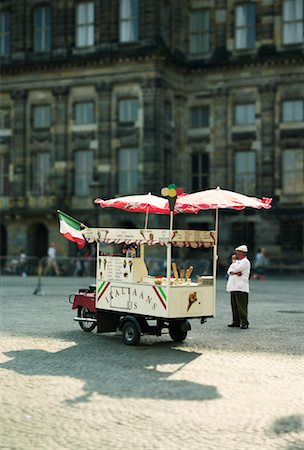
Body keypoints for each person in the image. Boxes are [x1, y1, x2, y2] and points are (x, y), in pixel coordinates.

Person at [226, 244, 251, 329]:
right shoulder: (237, 262)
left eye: (238, 252)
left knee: (241, 306)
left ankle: (244, 322)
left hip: (241, 287)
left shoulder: (245, 262)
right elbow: (229, 271)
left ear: (242, 253)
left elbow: (236, 269)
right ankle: (236, 321)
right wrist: (234, 272)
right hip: (233, 286)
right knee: (234, 305)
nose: (236, 254)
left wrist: (234, 269)